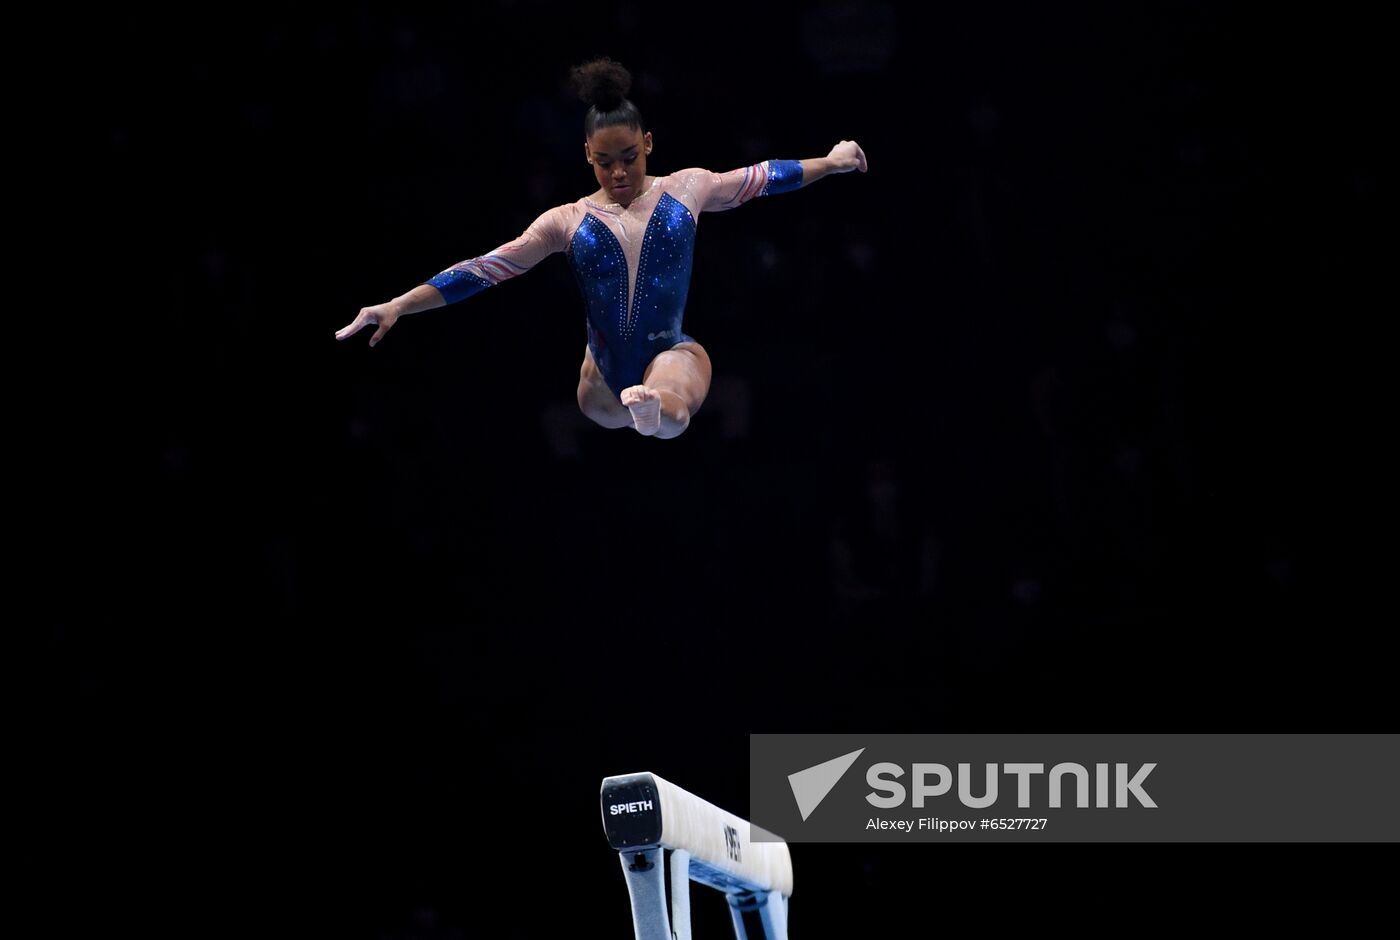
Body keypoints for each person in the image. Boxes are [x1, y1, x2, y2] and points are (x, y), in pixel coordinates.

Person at [336, 56, 867, 439]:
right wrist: (398, 304)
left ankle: (655, 409)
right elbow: (485, 269)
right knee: (607, 404)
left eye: (630, 157)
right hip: (602, 381)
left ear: (649, 144)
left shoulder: (689, 187)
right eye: (604, 161)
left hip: (667, 353)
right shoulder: (565, 222)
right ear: (586, 153)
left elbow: (764, 177)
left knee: (678, 397)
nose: (618, 172)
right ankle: (645, 409)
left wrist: (832, 161)